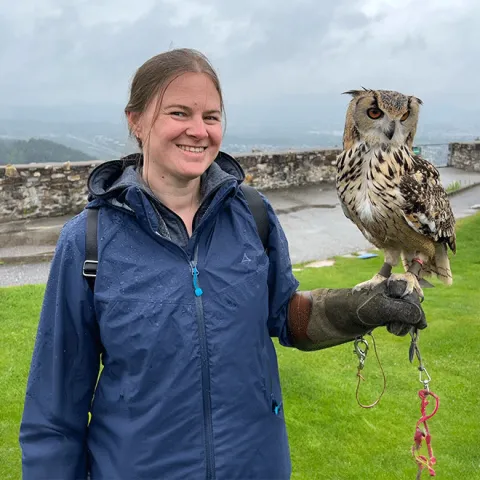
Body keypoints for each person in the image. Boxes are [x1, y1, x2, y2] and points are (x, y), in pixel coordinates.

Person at [19, 48, 427, 480]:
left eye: (211, 117)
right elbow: (53, 412)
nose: (198, 131)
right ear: (136, 121)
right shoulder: (89, 241)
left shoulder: (252, 215)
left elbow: (284, 317)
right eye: (179, 113)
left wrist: (359, 308)